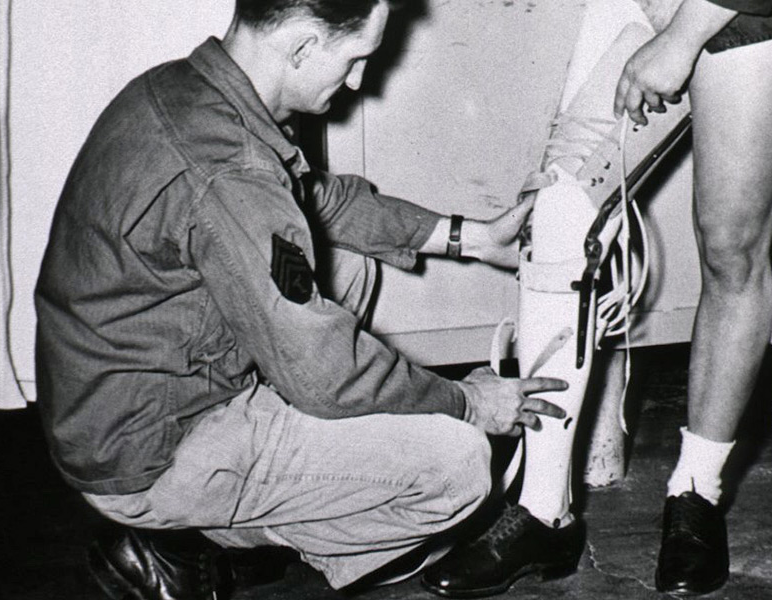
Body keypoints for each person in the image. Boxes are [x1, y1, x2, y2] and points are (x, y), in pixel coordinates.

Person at [33, 1, 569, 599]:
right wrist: (468, 403)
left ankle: (250, 503)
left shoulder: (184, 92)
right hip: (150, 455)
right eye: (356, 59)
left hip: (114, 404)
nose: (362, 80)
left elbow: (316, 201)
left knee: (352, 262)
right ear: (303, 45)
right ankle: (194, 546)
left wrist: (472, 236)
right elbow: (326, 373)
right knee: (460, 465)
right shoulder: (228, 171)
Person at [421, 0, 772, 597]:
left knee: (731, 250)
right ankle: (543, 513)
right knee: (560, 217)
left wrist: (683, 38)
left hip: (753, 13)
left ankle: (697, 490)